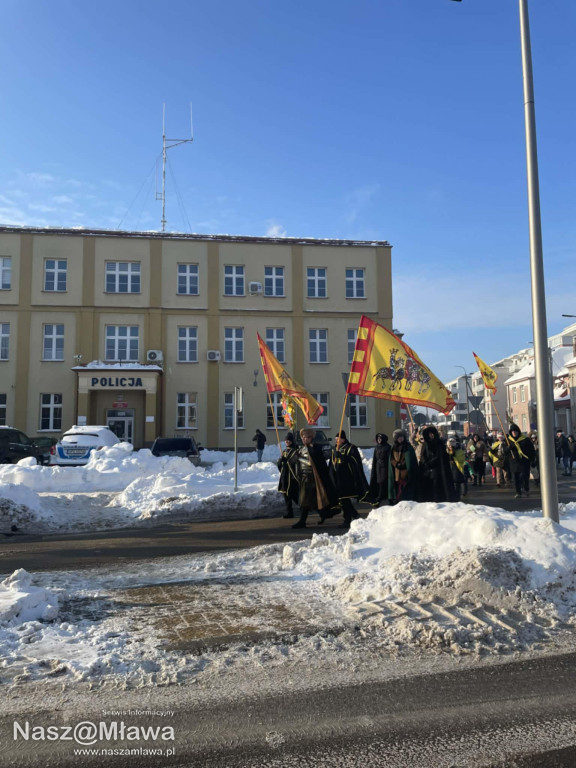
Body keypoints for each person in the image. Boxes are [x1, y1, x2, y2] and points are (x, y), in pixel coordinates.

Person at [288, 427, 339, 529]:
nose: (304, 439)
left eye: (306, 437)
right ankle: (323, 515)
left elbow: (313, 463)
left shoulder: (316, 448)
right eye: (302, 437)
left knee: (309, 500)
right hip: (304, 479)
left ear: (311, 438)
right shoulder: (301, 449)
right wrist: (291, 458)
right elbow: (293, 461)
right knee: (308, 501)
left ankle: (304, 521)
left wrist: (300, 458)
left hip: (314, 479)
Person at [329, 431, 370, 529]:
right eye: (335, 439)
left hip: (347, 478)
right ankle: (354, 516)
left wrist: (342, 457)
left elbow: (354, 461)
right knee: (343, 500)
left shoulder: (351, 447)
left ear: (343, 439)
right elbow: (331, 463)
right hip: (338, 478)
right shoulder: (335, 448)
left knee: (344, 499)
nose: (336, 440)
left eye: (338, 439)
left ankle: (348, 519)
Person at [418, 425, 454, 502]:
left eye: (432, 434)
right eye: (429, 434)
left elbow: (440, 457)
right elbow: (422, 456)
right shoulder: (425, 445)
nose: (431, 436)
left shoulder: (439, 444)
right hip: (427, 471)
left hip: (438, 470)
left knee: (437, 488)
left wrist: (431, 463)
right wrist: (425, 463)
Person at [388, 429, 418, 504]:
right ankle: (397, 499)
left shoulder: (408, 447)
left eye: (402, 437)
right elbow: (391, 459)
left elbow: (410, 459)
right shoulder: (393, 447)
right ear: (396, 438)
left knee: (405, 486)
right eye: (399, 437)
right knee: (398, 486)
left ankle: (405, 500)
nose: (400, 439)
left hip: (406, 471)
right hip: (397, 471)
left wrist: (403, 464)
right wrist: (396, 464)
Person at [507, 423, 536, 498]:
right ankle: (518, 492)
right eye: (512, 431)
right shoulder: (509, 441)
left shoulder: (525, 440)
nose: (514, 433)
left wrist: (532, 459)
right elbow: (505, 452)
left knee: (524, 476)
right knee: (516, 478)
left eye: (515, 431)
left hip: (524, 461)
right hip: (514, 462)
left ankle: (526, 489)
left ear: (518, 432)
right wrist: (508, 449)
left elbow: (531, 450)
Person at [276, 432, 299, 518]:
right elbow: (280, 466)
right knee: (286, 495)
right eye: (286, 440)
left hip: (292, 477)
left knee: (294, 496)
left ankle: (305, 509)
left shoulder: (295, 451)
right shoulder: (285, 451)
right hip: (285, 477)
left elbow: (295, 463)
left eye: (289, 440)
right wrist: (280, 462)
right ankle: (289, 512)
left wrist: (287, 462)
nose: (287, 442)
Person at [369, 433, 391, 507]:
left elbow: (389, 458)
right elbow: (375, 458)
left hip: (385, 467)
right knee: (378, 481)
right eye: (378, 439)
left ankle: (382, 496)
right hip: (378, 466)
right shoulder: (377, 447)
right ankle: (378, 495)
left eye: (380, 439)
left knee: (383, 481)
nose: (379, 440)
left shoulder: (387, 447)